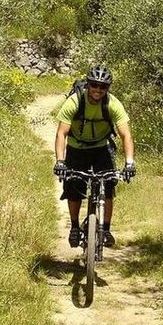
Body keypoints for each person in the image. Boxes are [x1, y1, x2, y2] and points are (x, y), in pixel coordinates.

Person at [53, 66, 135, 248]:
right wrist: (60, 161)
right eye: (94, 85)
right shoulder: (75, 102)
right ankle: (74, 227)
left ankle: (105, 229)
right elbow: (61, 134)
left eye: (103, 86)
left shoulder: (112, 104)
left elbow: (126, 135)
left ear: (108, 88)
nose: (98, 90)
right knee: (73, 187)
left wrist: (129, 163)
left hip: (101, 148)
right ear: (88, 85)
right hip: (76, 148)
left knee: (109, 185)